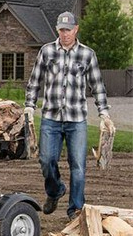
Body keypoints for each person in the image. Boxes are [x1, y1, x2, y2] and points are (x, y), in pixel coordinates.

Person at [24, 11, 115, 220]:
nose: (65, 34)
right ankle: (55, 191)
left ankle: (75, 209)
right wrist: (29, 106)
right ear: (58, 30)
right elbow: (34, 82)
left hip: (76, 120)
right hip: (50, 118)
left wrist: (104, 114)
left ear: (76, 29)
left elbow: (97, 86)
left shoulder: (87, 54)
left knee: (78, 166)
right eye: (61, 30)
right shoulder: (47, 52)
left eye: (68, 30)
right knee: (47, 160)